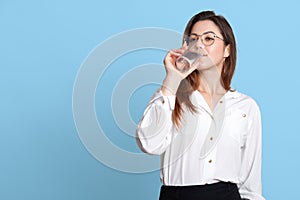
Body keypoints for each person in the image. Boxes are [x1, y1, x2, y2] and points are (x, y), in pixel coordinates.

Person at [136, 10, 265, 200]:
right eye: (194, 39)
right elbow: (149, 144)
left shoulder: (245, 107)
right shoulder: (171, 97)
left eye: (209, 39)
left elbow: (250, 184)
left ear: (227, 50)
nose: (200, 45)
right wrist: (171, 80)